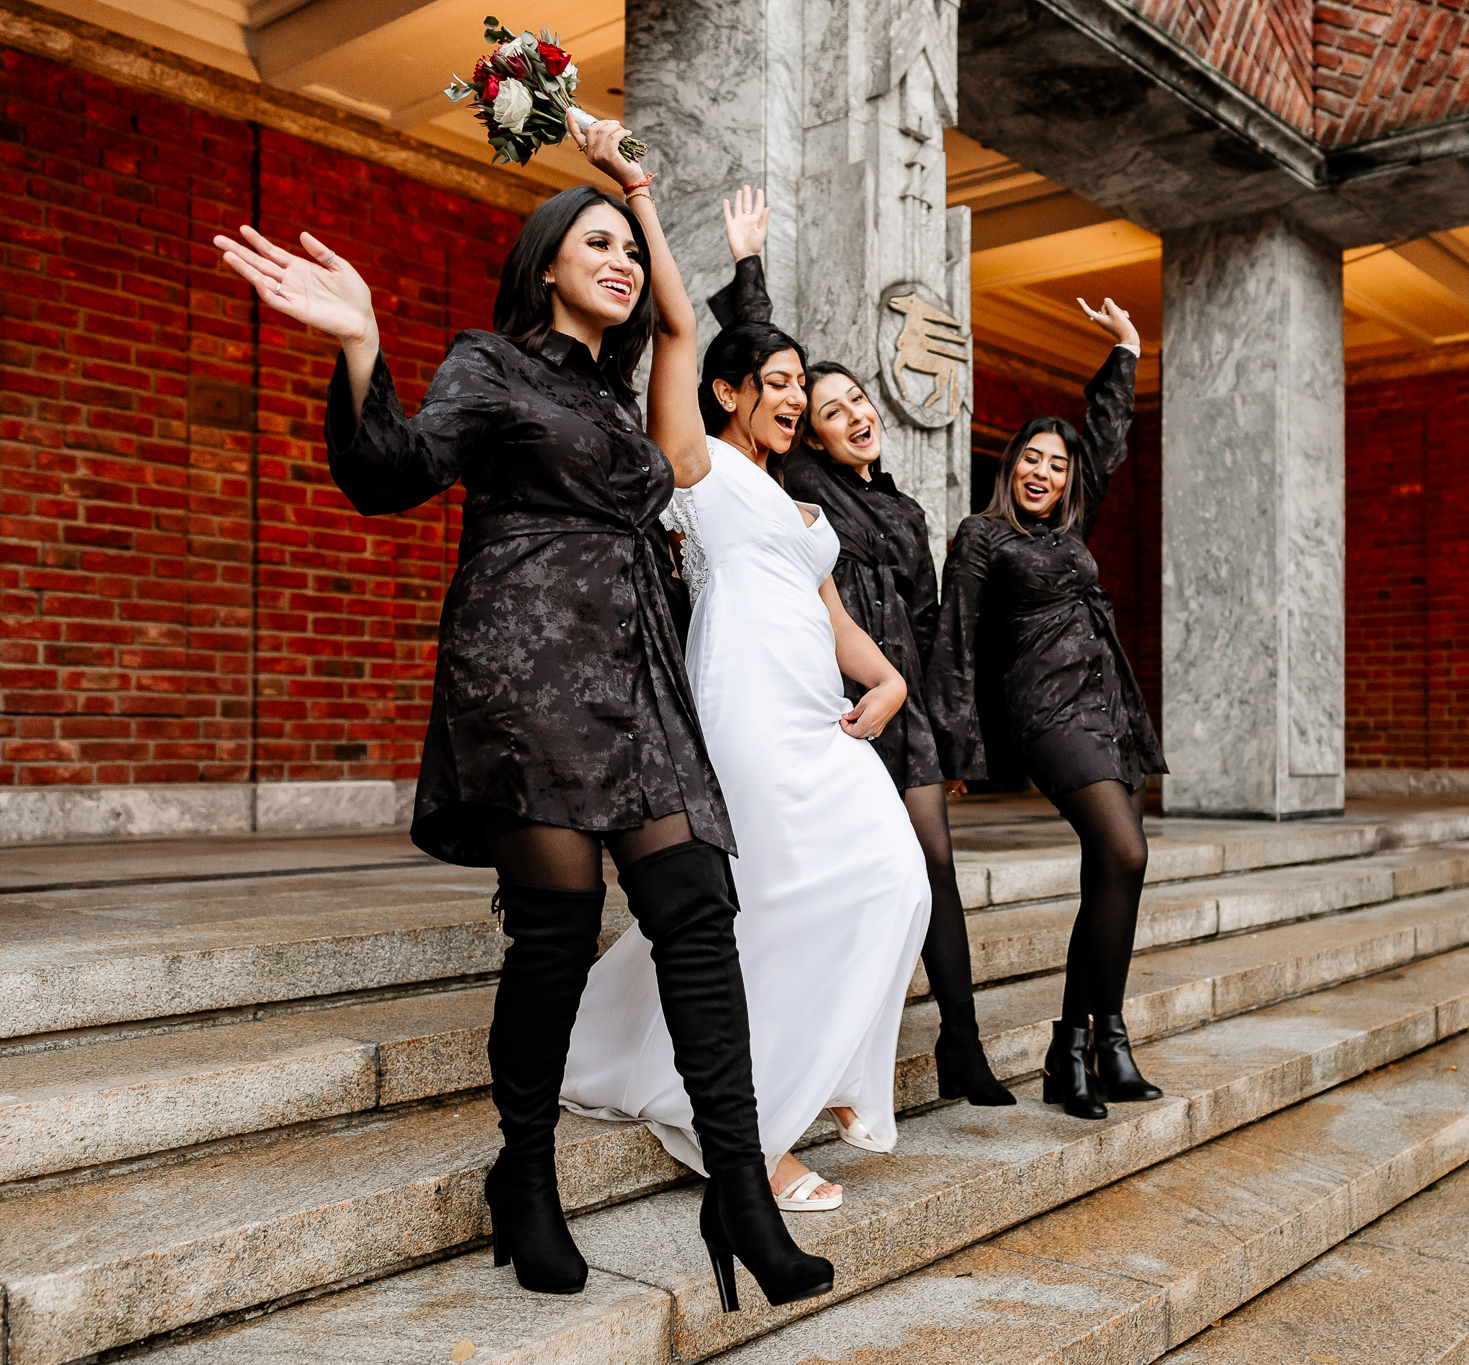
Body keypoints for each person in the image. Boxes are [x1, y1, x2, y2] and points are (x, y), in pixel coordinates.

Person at [212, 123, 831, 1311]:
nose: (621, 261)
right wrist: (361, 347)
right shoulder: (489, 363)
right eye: (593, 241)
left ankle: (739, 1187)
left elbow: (679, 326)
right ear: (545, 262)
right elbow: (392, 470)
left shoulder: (622, 393)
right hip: (526, 660)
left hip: (635, 663)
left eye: (628, 250)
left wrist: (641, 192)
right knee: (553, 931)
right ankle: (526, 1176)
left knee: (694, 907)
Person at [560, 205, 931, 1217]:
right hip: (741, 699)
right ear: (728, 393)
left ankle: (844, 1068)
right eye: (773, 383)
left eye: (799, 386)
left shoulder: (804, 507)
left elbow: (836, 617)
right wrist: (641, 206)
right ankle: (753, 1139)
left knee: (897, 881)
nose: (793, 398)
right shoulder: (701, 467)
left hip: (818, 712)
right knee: (769, 901)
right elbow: (677, 340)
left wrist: (889, 682)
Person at [706, 193, 1013, 1107]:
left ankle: (960, 1040)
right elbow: (764, 376)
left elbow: (932, 628)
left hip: (898, 699)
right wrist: (748, 268)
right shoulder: (796, 482)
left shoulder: (908, 510)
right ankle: (825, 1046)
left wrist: (947, 734)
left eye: (854, 402)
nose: (844, 414)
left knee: (931, 865)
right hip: (828, 700)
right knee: (848, 868)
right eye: (827, 407)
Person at [925, 300, 1167, 1121]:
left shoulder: (1071, 530)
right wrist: (953, 749)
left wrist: (1126, 350)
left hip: (1107, 706)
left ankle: (1089, 1045)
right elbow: (954, 642)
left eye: (1057, 466)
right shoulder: (982, 539)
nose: (1046, 473)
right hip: (1045, 713)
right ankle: (1084, 1042)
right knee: (1126, 851)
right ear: (1010, 466)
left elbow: (1104, 443)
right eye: (1032, 459)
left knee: (1114, 871)